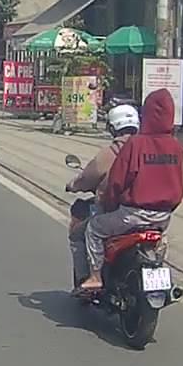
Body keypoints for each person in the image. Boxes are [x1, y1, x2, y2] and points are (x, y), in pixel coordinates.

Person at [77, 89, 183, 293]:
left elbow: (117, 180)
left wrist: (109, 204)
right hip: (163, 217)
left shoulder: (137, 144)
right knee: (161, 242)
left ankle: (95, 276)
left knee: (94, 228)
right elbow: (180, 183)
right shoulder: (176, 147)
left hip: (131, 214)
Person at [65, 104, 140, 289]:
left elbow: (88, 178)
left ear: (112, 127)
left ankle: (91, 277)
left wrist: (73, 185)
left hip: (119, 213)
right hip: (156, 214)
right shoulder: (147, 149)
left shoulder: (111, 152)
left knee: (81, 233)